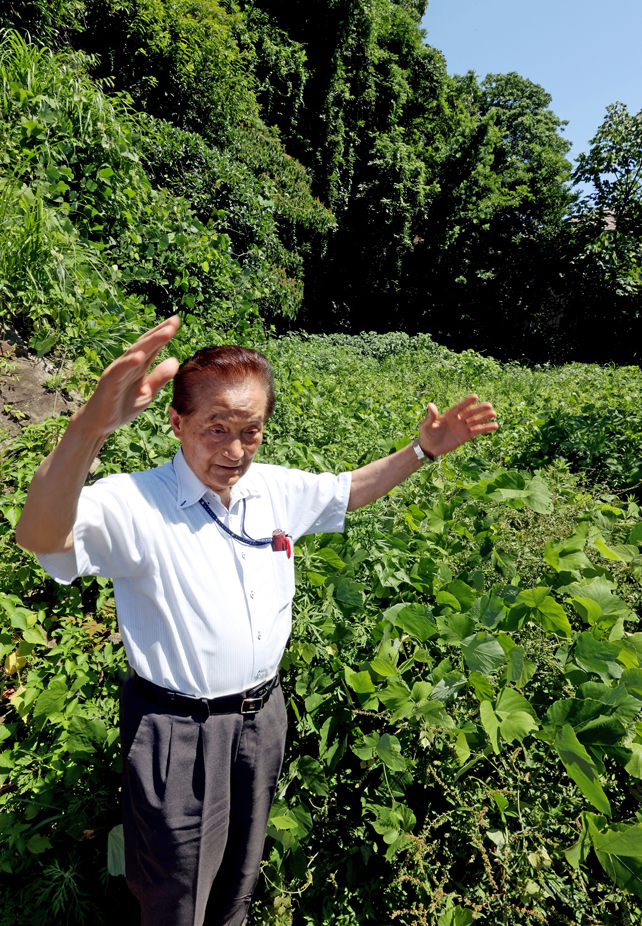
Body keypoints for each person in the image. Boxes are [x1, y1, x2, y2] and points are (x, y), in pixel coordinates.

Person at [16, 316, 497, 926]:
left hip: (262, 720)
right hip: (177, 731)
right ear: (177, 422)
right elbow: (39, 536)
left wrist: (423, 450)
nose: (235, 450)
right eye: (217, 429)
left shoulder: (270, 491)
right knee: (175, 900)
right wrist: (89, 428)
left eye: (251, 431)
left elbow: (346, 490)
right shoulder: (132, 502)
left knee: (238, 885)